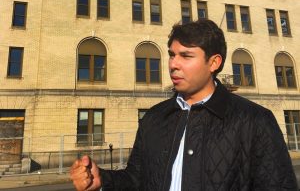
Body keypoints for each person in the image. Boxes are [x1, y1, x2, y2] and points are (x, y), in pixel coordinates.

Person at [70, 19, 298, 191]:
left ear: (214, 62)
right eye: (171, 55)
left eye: (186, 56)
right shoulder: (154, 118)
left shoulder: (255, 121)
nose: (173, 65)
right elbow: (138, 179)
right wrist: (102, 181)